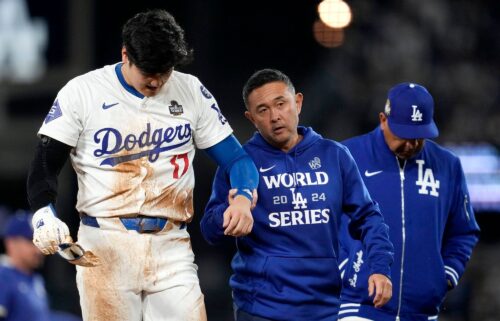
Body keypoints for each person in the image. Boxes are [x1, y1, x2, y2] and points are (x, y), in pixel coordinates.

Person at [26, 9, 258, 321]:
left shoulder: (189, 90)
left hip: (170, 244)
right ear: (125, 55)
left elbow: (237, 159)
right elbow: (44, 163)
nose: (156, 80)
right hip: (105, 245)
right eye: (148, 71)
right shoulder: (83, 91)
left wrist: (243, 196)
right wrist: (43, 213)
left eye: (164, 71)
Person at [201, 68, 394, 321]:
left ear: (298, 102)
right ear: (251, 119)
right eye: (263, 110)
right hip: (260, 307)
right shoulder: (240, 163)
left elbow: (369, 218)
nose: (275, 116)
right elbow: (209, 230)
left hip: (324, 307)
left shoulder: (334, 156)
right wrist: (227, 216)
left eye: (281, 104)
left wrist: (380, 268)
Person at [338, 82, 480, 320]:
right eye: (404, 134)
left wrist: (444, 274)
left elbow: (463, 231)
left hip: (422, 312)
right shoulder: (347, 156)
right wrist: (347, 270)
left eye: (420, 136)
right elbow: (322, 222)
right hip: (359, 306)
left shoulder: (447, 165)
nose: (412, 144)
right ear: (383, 119)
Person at [0, 211, 50, 321]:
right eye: (31, 241)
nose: (38, 250)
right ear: (10, 243)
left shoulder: (36, 279)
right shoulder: (3, 277)